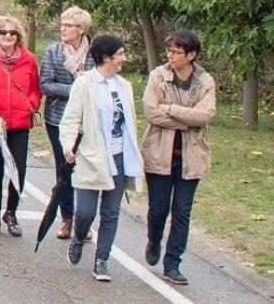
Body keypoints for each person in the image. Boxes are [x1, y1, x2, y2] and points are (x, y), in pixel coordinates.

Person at [59, 34, 145, 283]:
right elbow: (71, 119)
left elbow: (129, 124)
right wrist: (68, 146)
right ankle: (78, 236)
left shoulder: (124, 86)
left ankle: (102, 259)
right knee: (85, 212)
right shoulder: (85, 84)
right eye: (120, 54)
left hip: (119, 157)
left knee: (111, 212)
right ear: (106, 57)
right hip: (91, 157)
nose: (124, 58)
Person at [142, 30, 215, 286]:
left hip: (191, 157)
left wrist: (171, 109)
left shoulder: (205, 81)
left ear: (191, 55)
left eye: (177, 52)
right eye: (169, 51)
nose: (171, 56)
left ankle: (172, 263)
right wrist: (187, 120)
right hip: (159, 154)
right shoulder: (158, 76)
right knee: (158, 209)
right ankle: (154, 239)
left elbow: (205, 116)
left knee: (182, 211)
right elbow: (151, 112)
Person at [0, 15, 41, 238]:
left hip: (19, 122)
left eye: (12, 33)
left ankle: (11, 213)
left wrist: (31, 105)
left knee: (19, 169)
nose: (7, 36)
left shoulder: (28, 60)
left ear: (18, 37)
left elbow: (35, 88)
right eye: (3, 32)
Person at [39, 5, 94, 240]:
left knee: (85, 169)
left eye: (69, 25)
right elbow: (46, 84)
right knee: (65, 168)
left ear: (81, 29)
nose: (63, 29)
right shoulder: (53, 52)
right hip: (58, 118)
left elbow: (99, 82)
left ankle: (84, 219)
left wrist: (86, 90)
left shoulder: (95, 53)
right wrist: (77, 89)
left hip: (87, 120)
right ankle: (67, 217)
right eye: (62, 24)